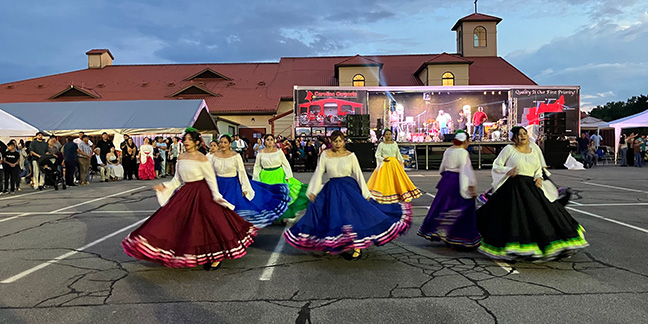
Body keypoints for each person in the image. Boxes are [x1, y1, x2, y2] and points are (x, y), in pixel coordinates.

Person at [121, 128, 258, 270]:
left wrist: (217, 197)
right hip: (186, 192)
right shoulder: (181, 157)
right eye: (185, 139)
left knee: (210, 224)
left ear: (197, 142)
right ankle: (176, 251)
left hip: (203, 193)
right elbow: (177, 180)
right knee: (171, 219)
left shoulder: (202, 158)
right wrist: (165, 187)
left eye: (189, 139)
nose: (186, 142)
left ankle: (216, 256)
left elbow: (211, 179)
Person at [284, 131, 412, 259]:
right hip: (332, 189)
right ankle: (332, 243)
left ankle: (357, 246)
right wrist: (313, 190)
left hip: (349, 189)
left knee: (352, 217)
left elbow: (358, 174)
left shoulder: (350, 156)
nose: (338, 143)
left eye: (340, 140)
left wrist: (366, 193)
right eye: (335, 141)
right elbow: (319, 173)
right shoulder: (325, 155)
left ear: (344, 141)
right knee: (331, 216)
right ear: (331, 142)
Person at [476, 126, 588, 261]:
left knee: (541, 215)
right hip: (514, 188)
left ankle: (545, 244)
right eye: (519, 134)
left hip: (531, 187)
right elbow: (496, 165)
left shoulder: (534, 150)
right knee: (514, 217)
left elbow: (538, 168)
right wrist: (508, 170)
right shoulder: (509, 149)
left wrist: (539, 177)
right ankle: (513, 246)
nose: (523, 136)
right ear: (514, 137)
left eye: (524, 133)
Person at [210, 135, 291, 228]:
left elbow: (241, 172)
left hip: (232, 185)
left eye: (225, 142)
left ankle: (280, 214)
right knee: (218, 207)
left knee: (232, 206)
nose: (222, 144)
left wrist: (245, 187)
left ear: (229, 144)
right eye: (220, 142)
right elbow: (210, 172)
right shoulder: (214, 157)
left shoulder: (236, 156)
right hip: (219, 184)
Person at [418, 130, 480, 248]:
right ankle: (459, 235)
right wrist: (471, 187)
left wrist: (446, 177)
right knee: (463, 207)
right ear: (466, 141)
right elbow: (466, 171)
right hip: (458, 181)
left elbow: (442, 168)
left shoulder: (448, 151)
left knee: (442, 206)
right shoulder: (463, 152)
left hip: (447, 180)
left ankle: (440, 230)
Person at [253, 134, 309, 222]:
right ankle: (271, 217)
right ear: (264, 141)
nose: (270, 141)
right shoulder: (261, 153)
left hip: (279, 174)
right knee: (268, 197)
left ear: (274, 141)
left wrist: (288, 176)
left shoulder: (279, 151)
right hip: (266, 176)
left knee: (282, 196)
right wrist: (256, 179)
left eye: (272, 139)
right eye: (268, 139)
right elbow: (257, 166)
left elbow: (285, 163)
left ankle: (282, 216)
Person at [367, 129, 422, 203]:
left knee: (397, 180)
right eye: (387, 134)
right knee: (384, 181)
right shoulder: (381, 145)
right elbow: (377, 154)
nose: (388, 136)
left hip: (394, 165)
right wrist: (383, 159)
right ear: (383, 136)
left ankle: (398, 194)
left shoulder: (394, 144)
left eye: (390, 134)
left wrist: (403, 161)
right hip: (385, 165)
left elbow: (398, 154)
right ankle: (385, 195)